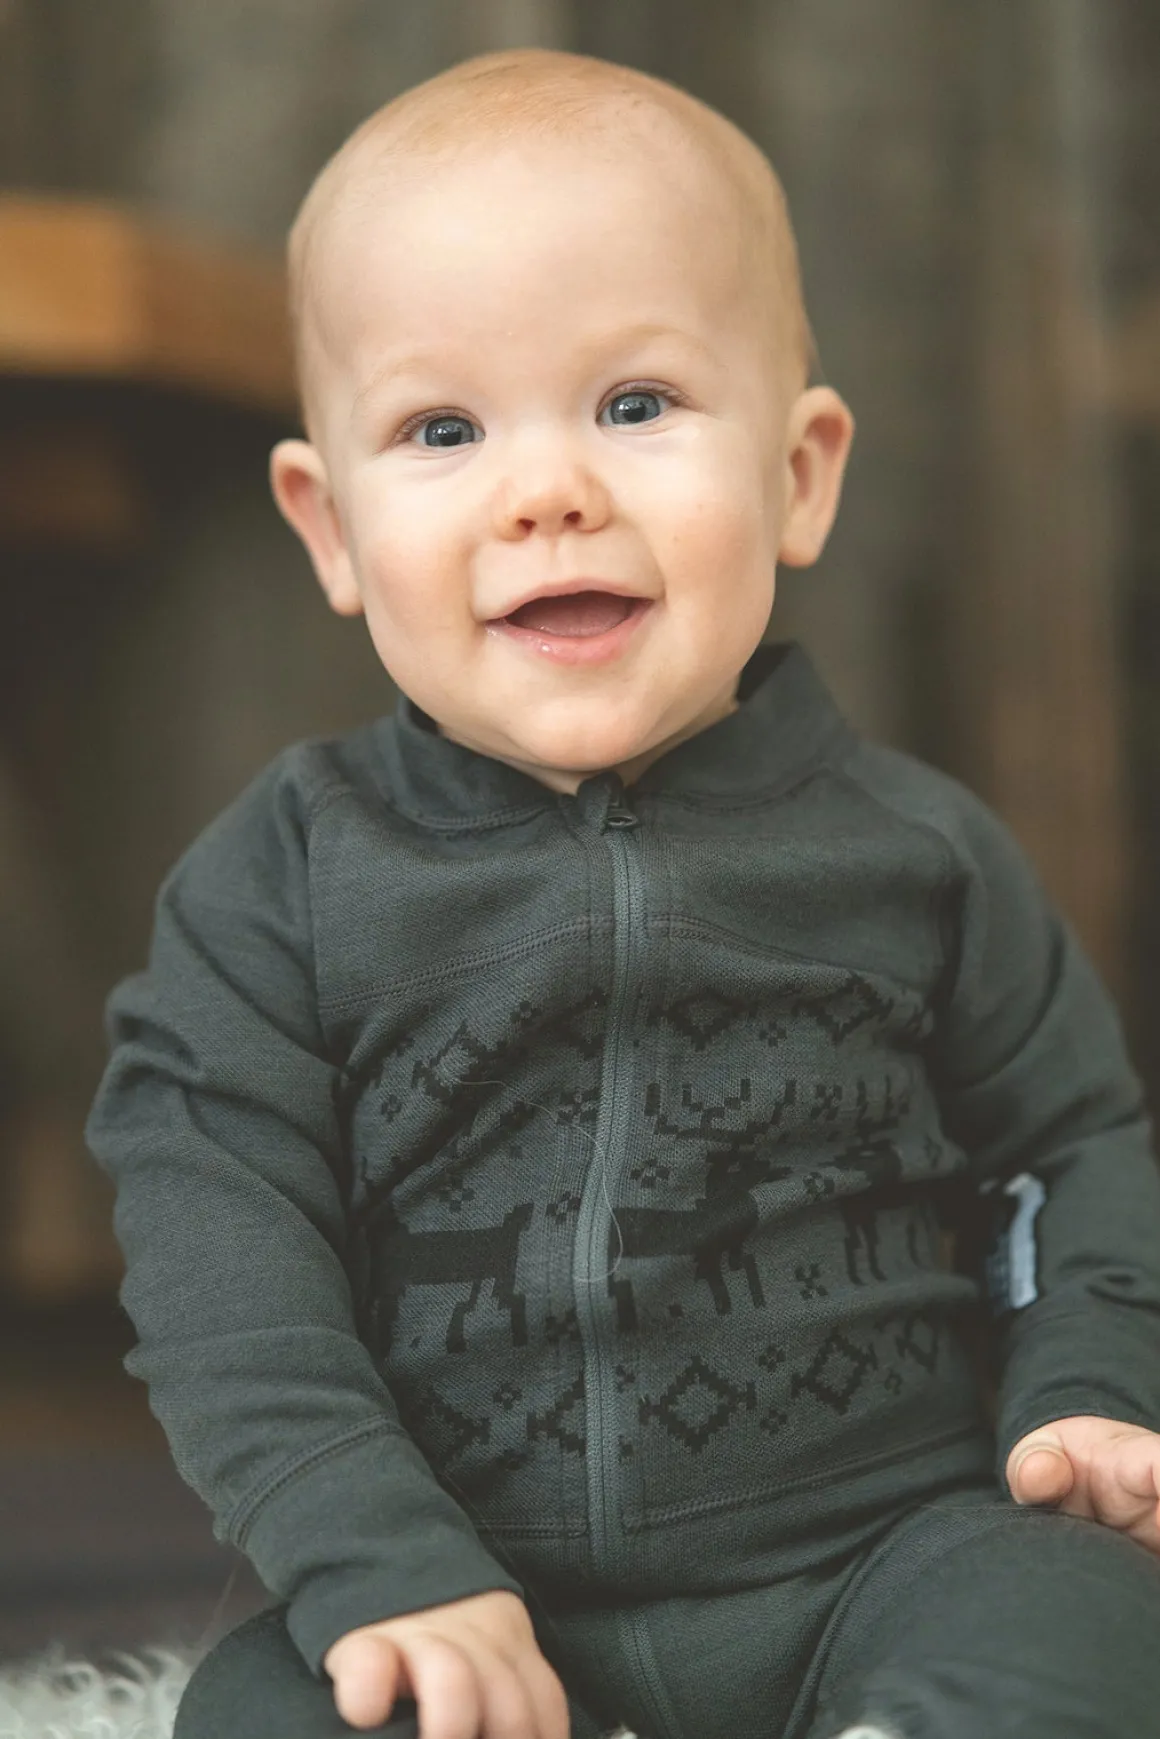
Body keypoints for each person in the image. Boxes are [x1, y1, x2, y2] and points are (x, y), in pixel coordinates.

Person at [86, 47, 1160, 1739]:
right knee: (267, 1704)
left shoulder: (921, 856)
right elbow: (221, 1244)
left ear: (799, 474)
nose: (549, 492)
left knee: (1084, 1608)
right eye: (443, 429)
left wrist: (1091, 1387)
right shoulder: (277, 887)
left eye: (636, 404)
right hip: (479, 1592)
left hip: (878, 1551)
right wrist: (376, 1557)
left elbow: (1078, 1149)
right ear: (331, 526)